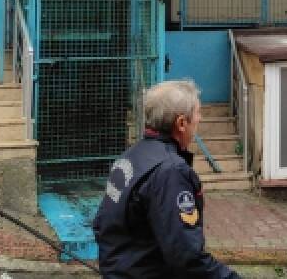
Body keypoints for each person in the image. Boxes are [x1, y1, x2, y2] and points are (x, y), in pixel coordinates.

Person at [93, 80, 239, 278]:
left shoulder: (131, 156)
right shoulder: (170, 171)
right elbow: (187, 256)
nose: (200, 119)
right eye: (197, 113)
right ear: (181, 123)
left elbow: (101, 223)